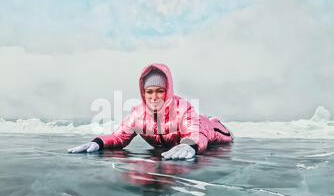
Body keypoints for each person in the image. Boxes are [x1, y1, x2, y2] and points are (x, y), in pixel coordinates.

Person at [68, 63, 233, 160]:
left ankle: (216, 121)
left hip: (206, 127)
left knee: (224, 136)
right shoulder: (137, 114)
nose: (154, 96)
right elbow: (119, 137)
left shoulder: (183, 108)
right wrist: (98, 142)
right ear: (143, 93)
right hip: (181, 137)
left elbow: (196, 133)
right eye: (149, 91)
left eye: (160, 90)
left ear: (167, 90)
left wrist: (190, 145)